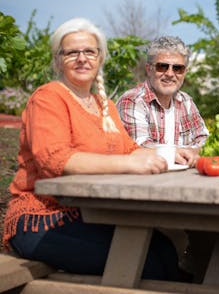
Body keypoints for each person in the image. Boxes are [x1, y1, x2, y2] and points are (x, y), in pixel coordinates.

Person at [2, 18, 181, 281]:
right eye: (72, 52)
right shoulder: (48, 97)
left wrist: (171, 153)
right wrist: (129, 164)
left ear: (100, 58)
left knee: (165, 250)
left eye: (89, 51)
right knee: (147, 263)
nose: (82, 58)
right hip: (42, 219)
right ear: (58, 60)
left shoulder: (103, 103)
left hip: (89, 214)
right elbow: (55, 159)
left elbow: (130, 149)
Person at [117, 36, 208, 168]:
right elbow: (139, 148)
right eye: (162, 67)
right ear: (149, 69)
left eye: (177, 68)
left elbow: (204, 140)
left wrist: (193, 152)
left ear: (185, 73)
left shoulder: (186, 101)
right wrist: (185, 153)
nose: (170, 74)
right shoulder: (132, 101)